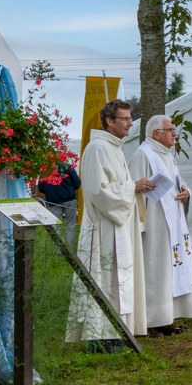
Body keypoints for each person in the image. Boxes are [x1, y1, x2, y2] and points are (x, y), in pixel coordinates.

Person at [68, 99, 151, 349]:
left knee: (118, 279)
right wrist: (132, 187)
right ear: (108, 121)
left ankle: (117, 331)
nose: (129, 123)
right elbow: (96, 191)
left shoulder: (115, 148)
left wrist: (134, 187)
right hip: (103, 228)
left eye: (130, 118)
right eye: (124, 118)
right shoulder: (97, 148)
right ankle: (99, 336)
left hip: (119, 225)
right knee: (104, 278)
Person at [132, 115, 192, 334]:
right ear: (155, 133)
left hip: (175, 221)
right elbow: (135, 187)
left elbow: (179, 181)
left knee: (171, 268)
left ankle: (167, 317)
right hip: (155, 223)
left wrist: (186, 192)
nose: (174, 133)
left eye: (173, 130)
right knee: (156, 269)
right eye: (169, 130)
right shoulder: (143, 154)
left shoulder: (168, 155)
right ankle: (151, 321)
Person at [37, 158, 82, 228]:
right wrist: (70, 190)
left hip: (53, 200)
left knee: (56, 225)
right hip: (69, 199)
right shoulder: (69, 167)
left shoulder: (44, 171)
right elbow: (77, 183)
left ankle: (57, 238)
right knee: (71, 224)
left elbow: (41, 188)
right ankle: (69, 239)